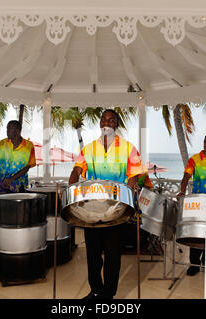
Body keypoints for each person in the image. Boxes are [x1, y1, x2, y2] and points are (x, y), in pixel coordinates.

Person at [68, 109, 150, 299]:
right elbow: (76, 170)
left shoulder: (128, 148)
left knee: (113, 256)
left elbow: (136, 173)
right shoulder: (88, 149)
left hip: (115, 210)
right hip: (92, 210)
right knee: (93, 255)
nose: (107, 122)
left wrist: (132, 184)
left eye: (111, 120)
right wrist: (71, 188)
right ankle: (96, 290)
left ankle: (108, 295)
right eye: (104, 119)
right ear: (99, 124)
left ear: (116, 124)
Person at [177, 133, 206, 276]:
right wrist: (182, 192)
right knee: (197, 233)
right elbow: (185, 177)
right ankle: (194, 264)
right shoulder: (195, 159)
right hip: (198, 201)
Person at [0, 120, 36, 193]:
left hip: (20, 186)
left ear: (17, 131)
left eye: (9, 128)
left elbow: (27, 167)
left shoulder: (29, 146)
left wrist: (11, 179)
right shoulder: (2, 144)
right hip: (3, 185)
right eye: (7, 128)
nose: (7, 131)